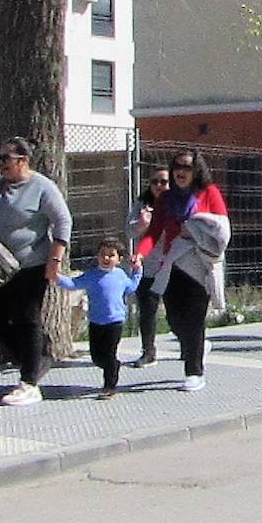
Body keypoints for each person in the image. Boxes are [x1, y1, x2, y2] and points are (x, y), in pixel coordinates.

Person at [0, 136, 72, 406]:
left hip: (30, 265)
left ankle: (29, 382)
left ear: (22, 161)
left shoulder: (41, 187)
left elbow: (62, 221)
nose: (0, 164)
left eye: (5, 159)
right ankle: (35, 358)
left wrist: (55, 261)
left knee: (27, 319)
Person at [136, 149, 230, 392]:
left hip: (199, 264)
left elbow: (223, 231)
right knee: (175, 320)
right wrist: (140, 254)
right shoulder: (165, 199)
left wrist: (197, 230)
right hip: (172, 263)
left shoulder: (210, 193)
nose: (180, 171)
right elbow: (155, 231)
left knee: (194, 320)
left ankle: (194, 372)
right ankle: (196, 347)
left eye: (187, 167)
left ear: (196, 169)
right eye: (177, 166)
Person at [57, 238, 143, 399]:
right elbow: (73, 284)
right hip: (96, 321)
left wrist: (137, 271)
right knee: (97, 356)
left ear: (119, 260)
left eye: (111, 255)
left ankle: (109, 386)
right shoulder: (91, 275)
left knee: (109, 354)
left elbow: (131, 287)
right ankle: (112, 366)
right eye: (102, 254)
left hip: (115, 322)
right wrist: (57, 277)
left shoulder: (120, 275)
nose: (106, 258)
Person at [128, 166, 169, 366]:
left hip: (174, 265)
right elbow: (129, 231)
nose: (159, 186)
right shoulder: (142, 204)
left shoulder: (179, 204)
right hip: (148, 266)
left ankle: (192, 347)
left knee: (177, 313)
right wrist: (142, 225)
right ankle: (148, 351)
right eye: (155, 182)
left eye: (164, 181)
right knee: (147, 310)